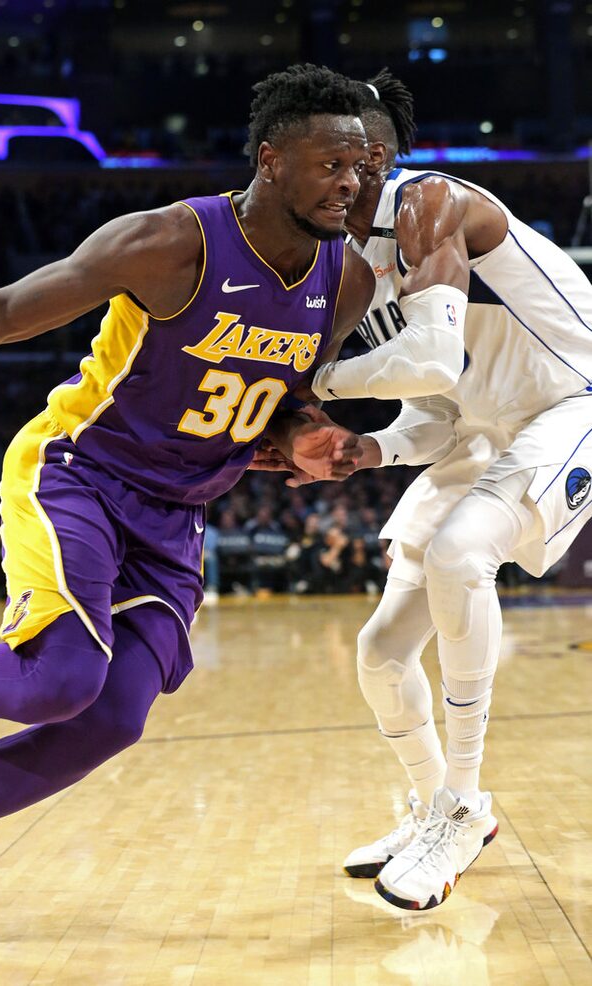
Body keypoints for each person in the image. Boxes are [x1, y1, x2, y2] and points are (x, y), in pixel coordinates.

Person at [0, 65, 373, 949]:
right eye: (330, 164)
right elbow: (5, 310)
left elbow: (276, 392)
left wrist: (308, 432)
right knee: (60, 677)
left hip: (178, 511)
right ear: (271, 160)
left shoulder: (343, 279)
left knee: (113, 716)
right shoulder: (172, 243)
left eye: (358, 168)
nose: (350, 183)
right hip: (81, 472)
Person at [270, 68, 592, 911]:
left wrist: (316, 382)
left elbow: (433, 361)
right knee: (379, 654)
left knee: (458, 557)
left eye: (341, 157)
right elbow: (438, 413)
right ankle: (431, 807)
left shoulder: (431, 204)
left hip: (574, 404)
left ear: (372, 156)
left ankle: (463, 806)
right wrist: (362, 450)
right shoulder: (355, 256)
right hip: (491, 432)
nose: (328, 177)